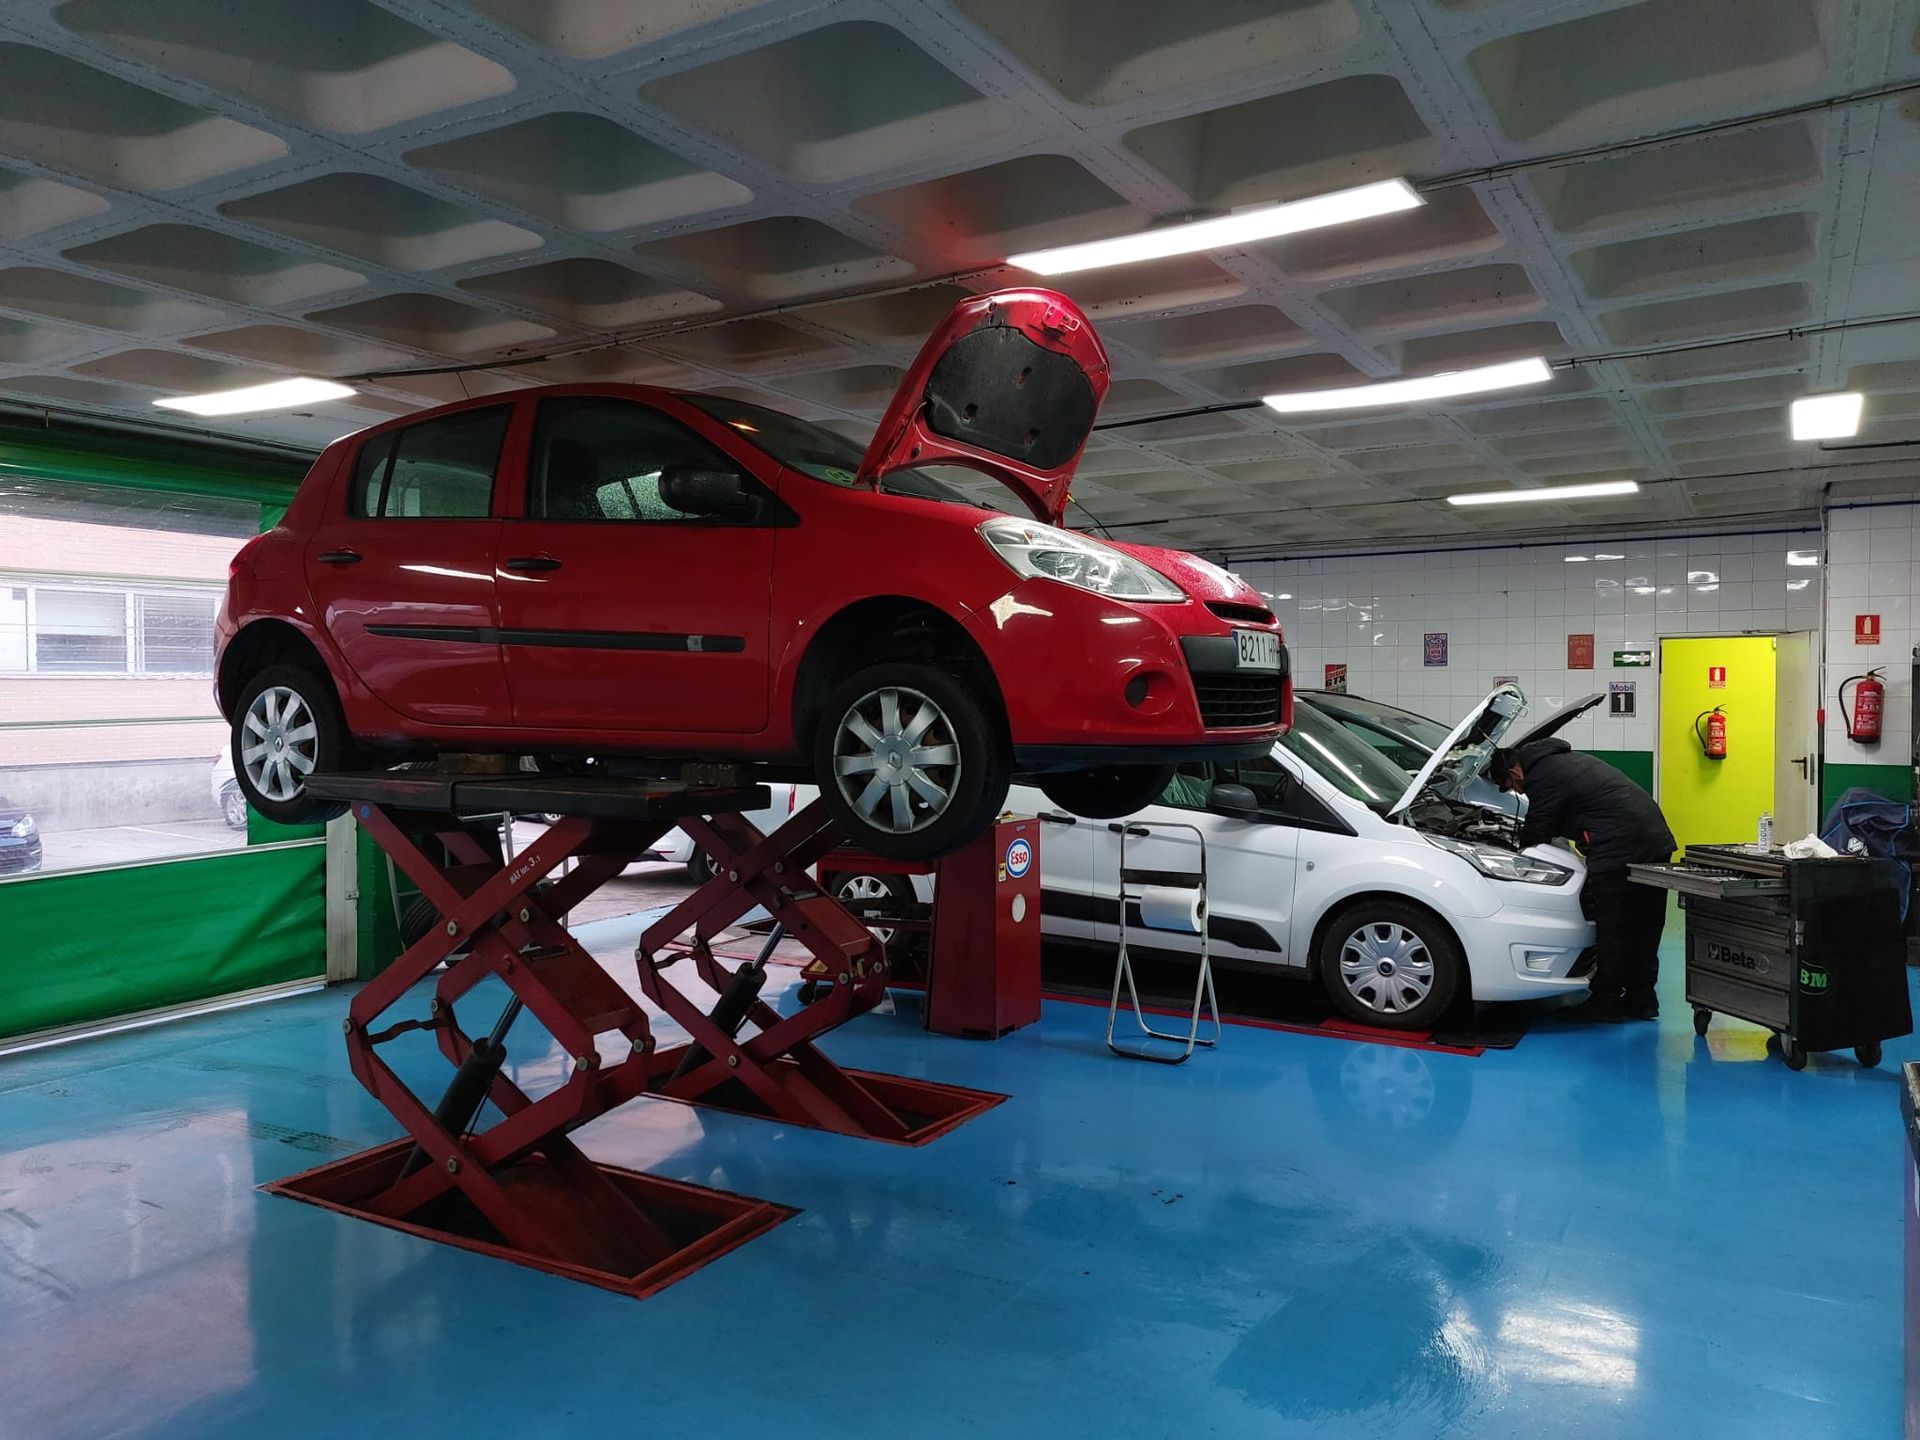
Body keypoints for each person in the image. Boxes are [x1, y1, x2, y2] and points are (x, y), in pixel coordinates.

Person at [1492, 737, 1676, 1022]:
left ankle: (1606, 1003)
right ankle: (1643, 999)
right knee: (1646, 924)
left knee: (1612, 927)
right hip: (1655, 840)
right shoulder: (1562, 761)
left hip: (1621, 846)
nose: (1517, 791)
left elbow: (1538, 830)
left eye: (1510, 787)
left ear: (1514, 773)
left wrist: (1514, 851)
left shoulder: (1542, 776)